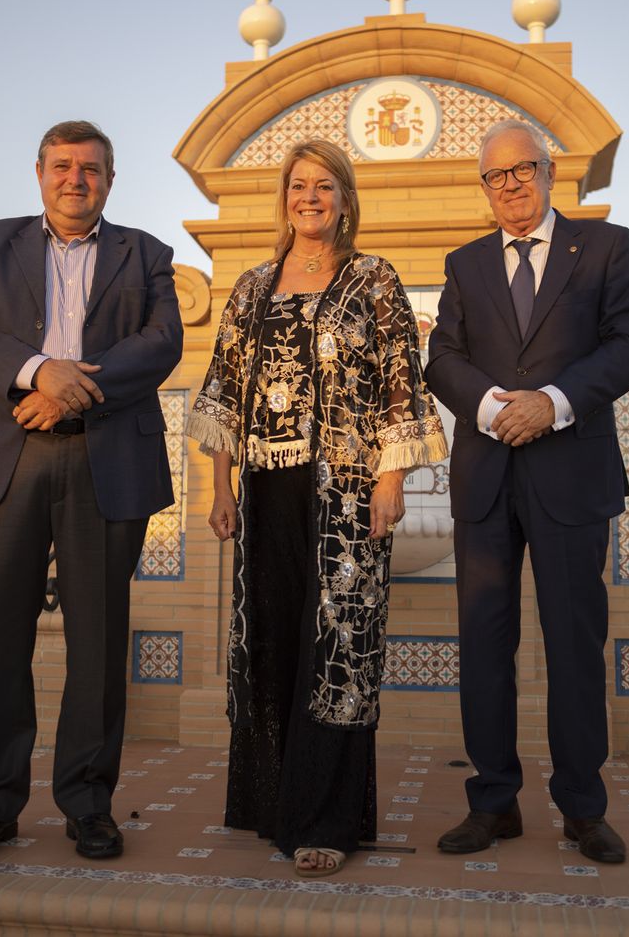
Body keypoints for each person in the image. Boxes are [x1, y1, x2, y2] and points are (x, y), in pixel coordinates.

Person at [188, 140, 447, 877]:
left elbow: (403, 380)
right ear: (286, 197)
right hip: (267, 493)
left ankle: (328, 818)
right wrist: (220, 485)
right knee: (270, 638)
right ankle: (273, 801)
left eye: (324, 185)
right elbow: (223, 389)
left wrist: (391, 481)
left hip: (346, 493)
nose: (310, 197)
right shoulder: (249, 287)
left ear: (344, 197)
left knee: (339, 645)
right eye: (299, 185)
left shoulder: (373, 279)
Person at [0, 120, 183, 863]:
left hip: (103, 463)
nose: (77, 179)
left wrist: (71, 391)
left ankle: (88, 803)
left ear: (111, 180)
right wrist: (40, 369)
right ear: (40, 172)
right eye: (64, 167)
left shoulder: (147, 254)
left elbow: (161, 342)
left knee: (99, 644)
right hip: (2, 462)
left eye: (92, 169)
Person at [425, 119, 629, 865]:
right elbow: (443, 358)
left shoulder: (606, 249)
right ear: (484, 187)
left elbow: (628, 345)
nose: (512, 184)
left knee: (575, 646)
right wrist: (493, 408)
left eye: (524, 169)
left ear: (550, 173)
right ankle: (493, 802)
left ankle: (583, 808)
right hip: (487, 479)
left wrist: (550, 401)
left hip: (571, 475)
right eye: (496, 175)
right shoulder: (464, 264)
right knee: (485, 647)